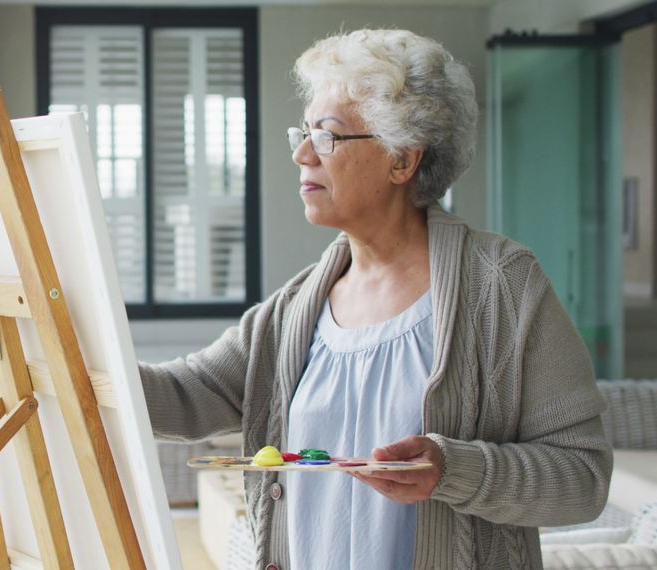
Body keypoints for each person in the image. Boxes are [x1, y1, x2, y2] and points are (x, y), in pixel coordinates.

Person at [138, 28, 611, 569]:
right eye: (303, 132)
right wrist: (67, 353)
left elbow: (583, 478)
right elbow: (183, 394)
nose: (300, 154)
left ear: (402, 160)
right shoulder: (296, 308)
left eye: (327, 136)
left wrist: (452, 471)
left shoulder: (503, 287)